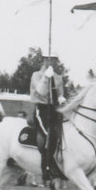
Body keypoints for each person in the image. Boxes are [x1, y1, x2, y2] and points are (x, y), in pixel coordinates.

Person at [29, 52, 65, 183]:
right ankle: (47, 167)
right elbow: (40, 91)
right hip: (42, 108)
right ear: (44, 60)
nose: (51, 62)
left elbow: (60, 93)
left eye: (54, 59)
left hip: (55, 108)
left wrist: (61, 98)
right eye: (49, 59)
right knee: (48, 134)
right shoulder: (36, 75)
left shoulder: (58, 77)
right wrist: (45, 77)